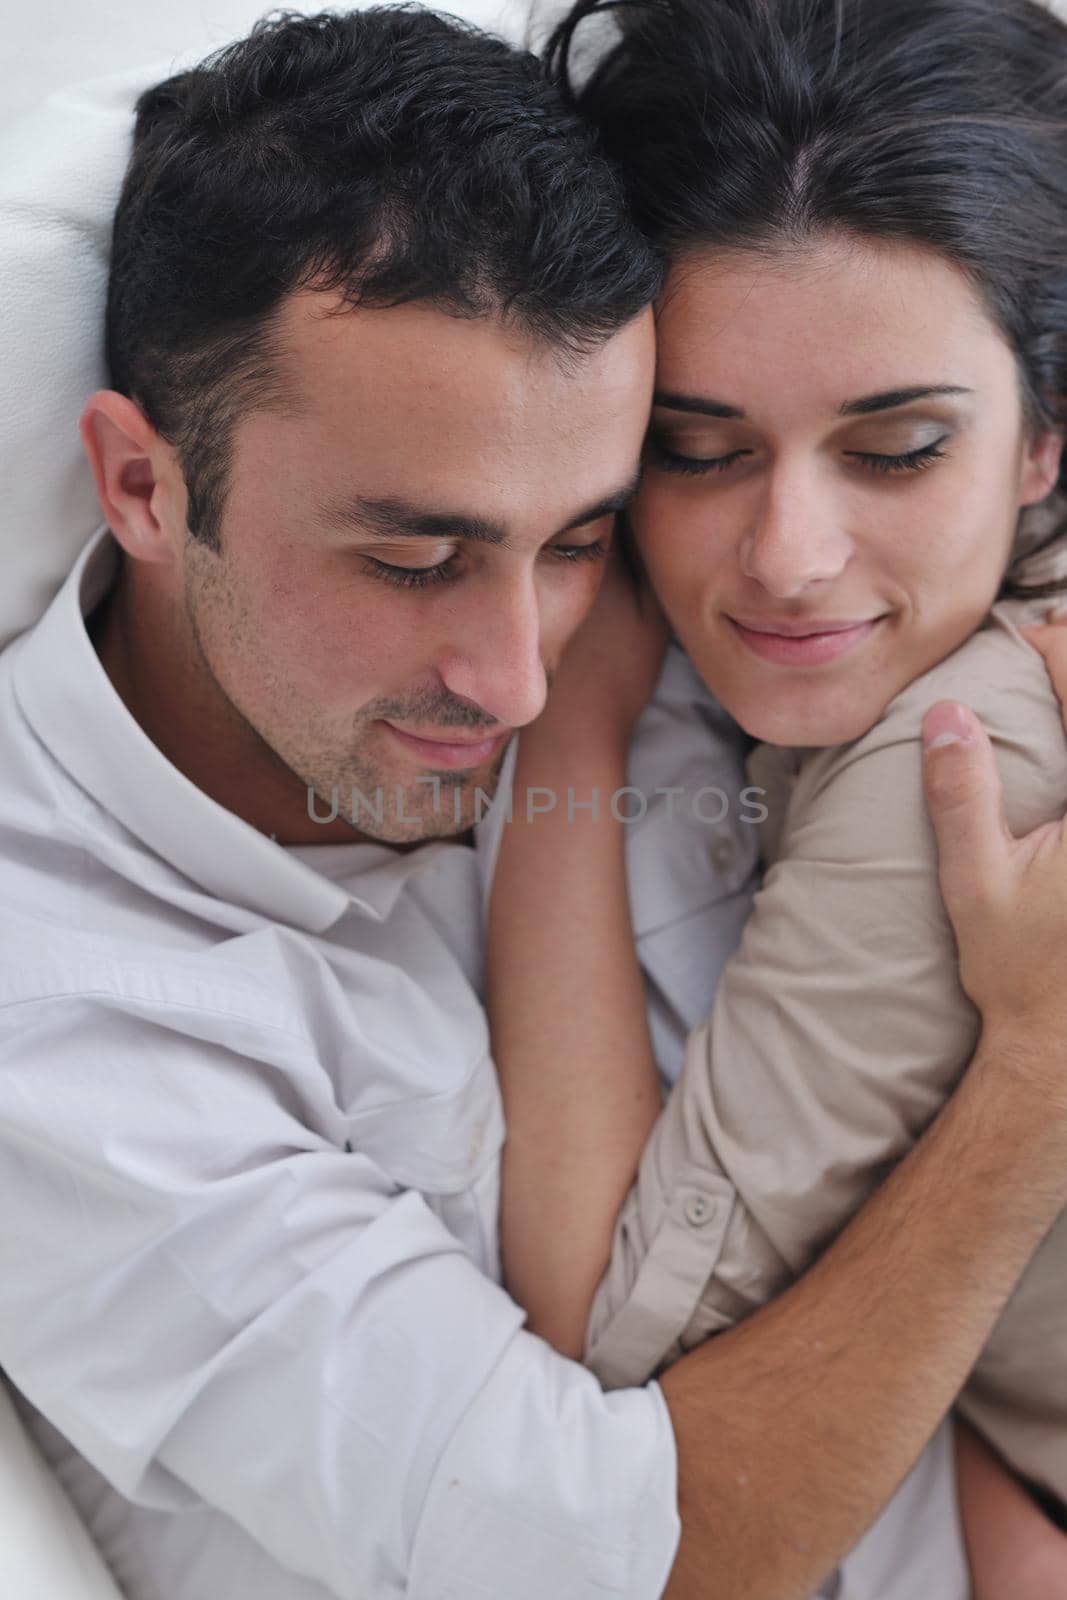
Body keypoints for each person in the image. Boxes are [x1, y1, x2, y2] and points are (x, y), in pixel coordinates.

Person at [0, 7, 1067, 1600]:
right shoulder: (62, 1022)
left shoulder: (725, 620)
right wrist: (1040, 1076)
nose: (515, 677)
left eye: (578, 538)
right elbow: (638, 1560)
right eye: (416, 562)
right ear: (146, 486)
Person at [488, 0, 1067, 1593]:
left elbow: (617, 1326)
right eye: (697, 449)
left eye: (896, 449)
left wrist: (577, 716)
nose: (791, 555)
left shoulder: (963, 751)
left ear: (1044, 442)